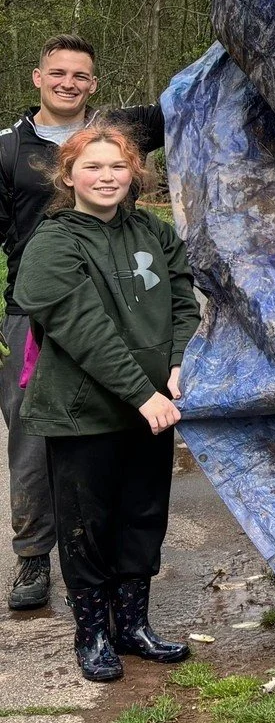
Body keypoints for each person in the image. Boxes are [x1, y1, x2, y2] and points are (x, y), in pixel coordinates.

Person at [13, 127, 200, 681]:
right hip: (82, 412)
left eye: (118, 166)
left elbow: (184, 297)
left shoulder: (154, 233)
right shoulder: (51, 243)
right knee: (86, 525)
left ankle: (133, 625)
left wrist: (179, 359)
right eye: (92, 166)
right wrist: (141, 393)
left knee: (142, 516)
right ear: (68, 176)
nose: (107, 176)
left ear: (134, 174)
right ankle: (92, 633)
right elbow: (83, 328)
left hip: (153, 408)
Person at [2, 35, 165, 611]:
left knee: (117, 430)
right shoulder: (7, 149)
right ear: (37, 77)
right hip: (37, 310)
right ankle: (32, 557)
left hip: (122, 300)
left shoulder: (114, 131)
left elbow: (182, 105)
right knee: (34, 435)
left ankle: (116, 574)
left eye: (81, 75)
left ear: (93, 83)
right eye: (58, 73)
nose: (69, 82)